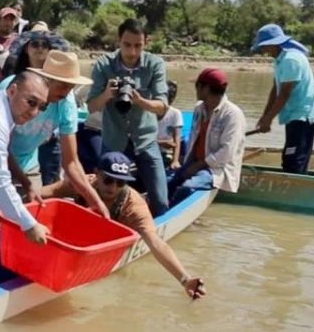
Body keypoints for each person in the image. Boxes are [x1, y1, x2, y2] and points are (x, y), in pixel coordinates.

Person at [42, 152, 207, 300]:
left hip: (107, 244)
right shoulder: (83, 184)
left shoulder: (134, 207)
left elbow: (155, 243)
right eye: (108, 180)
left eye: (120, 182)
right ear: (97, 174)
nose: (113, 187)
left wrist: (185, 279)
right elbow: (49, 191)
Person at [0, 51, 108, 217]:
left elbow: (71, 162)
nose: (67, 92)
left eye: (71, 86)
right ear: (46, 79)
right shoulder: (15, 89)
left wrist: (95, 200)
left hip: (29, 165)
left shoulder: (66, 102)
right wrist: (26, 185)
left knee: (31, 218)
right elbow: (0, 148)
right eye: (63, 85)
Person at [86, 18, 171, 216]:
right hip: (114, 140)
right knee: (105, 199)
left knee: (160, 200)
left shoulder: (154, 64)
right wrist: (107, 94)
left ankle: (156, 226)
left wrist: (140, 101)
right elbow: (91, 107)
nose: (132, 52)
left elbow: (162, 107)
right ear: (118, 41)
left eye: (138, 46)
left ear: (145, 43)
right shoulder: (103, 65)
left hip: (146, 140)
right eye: (127, 45)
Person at [0, 71, 51, 246]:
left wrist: (26, 184)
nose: (34, 112)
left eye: (42, 107)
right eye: (31, 102)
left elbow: (3, 154)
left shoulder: (1, 105)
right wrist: (29, 225)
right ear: (12, 91)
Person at [251, 23, 314, 174]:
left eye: (264, 46)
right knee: (292, 156)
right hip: (294, 114)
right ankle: (297, 181)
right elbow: (275, 89)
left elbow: (284, 93)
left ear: (274, 43)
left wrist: (269, 119)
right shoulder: (279, 60)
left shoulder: (291, 60)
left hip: (304, 114)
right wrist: (265, 116)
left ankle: (295, 187)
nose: (263, 50)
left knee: (293, 159)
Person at [169, 68, 246, 206]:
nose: (196, 90)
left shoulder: (232, 115)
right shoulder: (199, 108)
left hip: (215, 169)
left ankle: (171, 210)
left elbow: (226, 153)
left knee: (187, 187)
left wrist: (198, 166)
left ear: (205, 89)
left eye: (197, 86)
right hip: (194, 162)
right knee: (166, 182)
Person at [157, 80, 183, 172]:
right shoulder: (149, 112)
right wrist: (160, 142)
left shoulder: (175, 113)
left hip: (165, 152)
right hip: (150, 150)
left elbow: (177, 138)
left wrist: (175, 160)